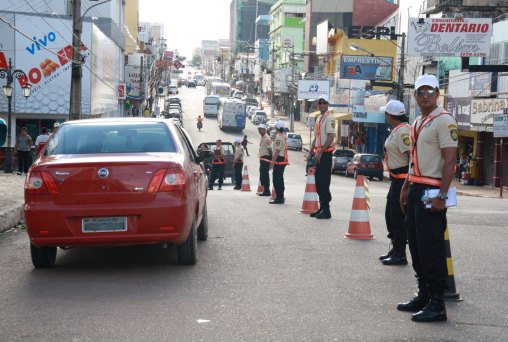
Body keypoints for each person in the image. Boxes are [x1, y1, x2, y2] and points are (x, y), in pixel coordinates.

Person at [398, 74, 458, 322]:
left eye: (429, 91)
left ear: (438, 94)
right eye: (420, 92)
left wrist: (442, 195)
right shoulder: (418, 122)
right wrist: (405, 187)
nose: (424, 96)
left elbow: (450, 160)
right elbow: (413, 159)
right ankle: (423, 294)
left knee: (431, 248)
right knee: (416, 246)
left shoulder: (444, 121)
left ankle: (437, 303)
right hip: (415, 188)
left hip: (431, 190)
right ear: (415, 95)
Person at [379, 100, 411, 266]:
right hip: (395, 179)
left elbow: (411, 155)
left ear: (391, 115)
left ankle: (400, 253)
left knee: (397, 217)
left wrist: (409, 180)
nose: (385, 116)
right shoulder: (396, 130)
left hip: (402, 179)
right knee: (390, 215)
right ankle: (395, 248)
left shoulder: (403, 131)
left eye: (386, 113)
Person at [307, 95, 335, 219]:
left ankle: (326, 210)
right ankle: (322, 208)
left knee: (323, 182)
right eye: (320, 102)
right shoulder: (319, 118)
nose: (322, 104)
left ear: (327, 104)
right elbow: (316, 137)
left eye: (324, 102)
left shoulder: (329, 118)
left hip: (325, 154)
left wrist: (320, 152)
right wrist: (311, 152)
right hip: (318, 154)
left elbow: (331, 136)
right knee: (318, 182)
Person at [269, 120, 288, 204]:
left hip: (279, 159)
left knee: (276, 179)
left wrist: (272, 162)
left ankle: (279, 198)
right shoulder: (283, 135)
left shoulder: (278, 137)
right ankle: (280, 197)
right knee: (280, 179)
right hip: (282, 159)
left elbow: (277, 150)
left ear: (276, 128)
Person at [258, 123, 272, 196]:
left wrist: (272, 159)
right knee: (262, 174)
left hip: (266, 158)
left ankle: (267, 190)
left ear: (264, 130)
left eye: (261, 129)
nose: (259, 130)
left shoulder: (266, 138)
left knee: (264, 175)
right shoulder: (263, 137)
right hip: (263, 158)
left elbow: (270, 149)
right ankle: (265, 189)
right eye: (259, 129)